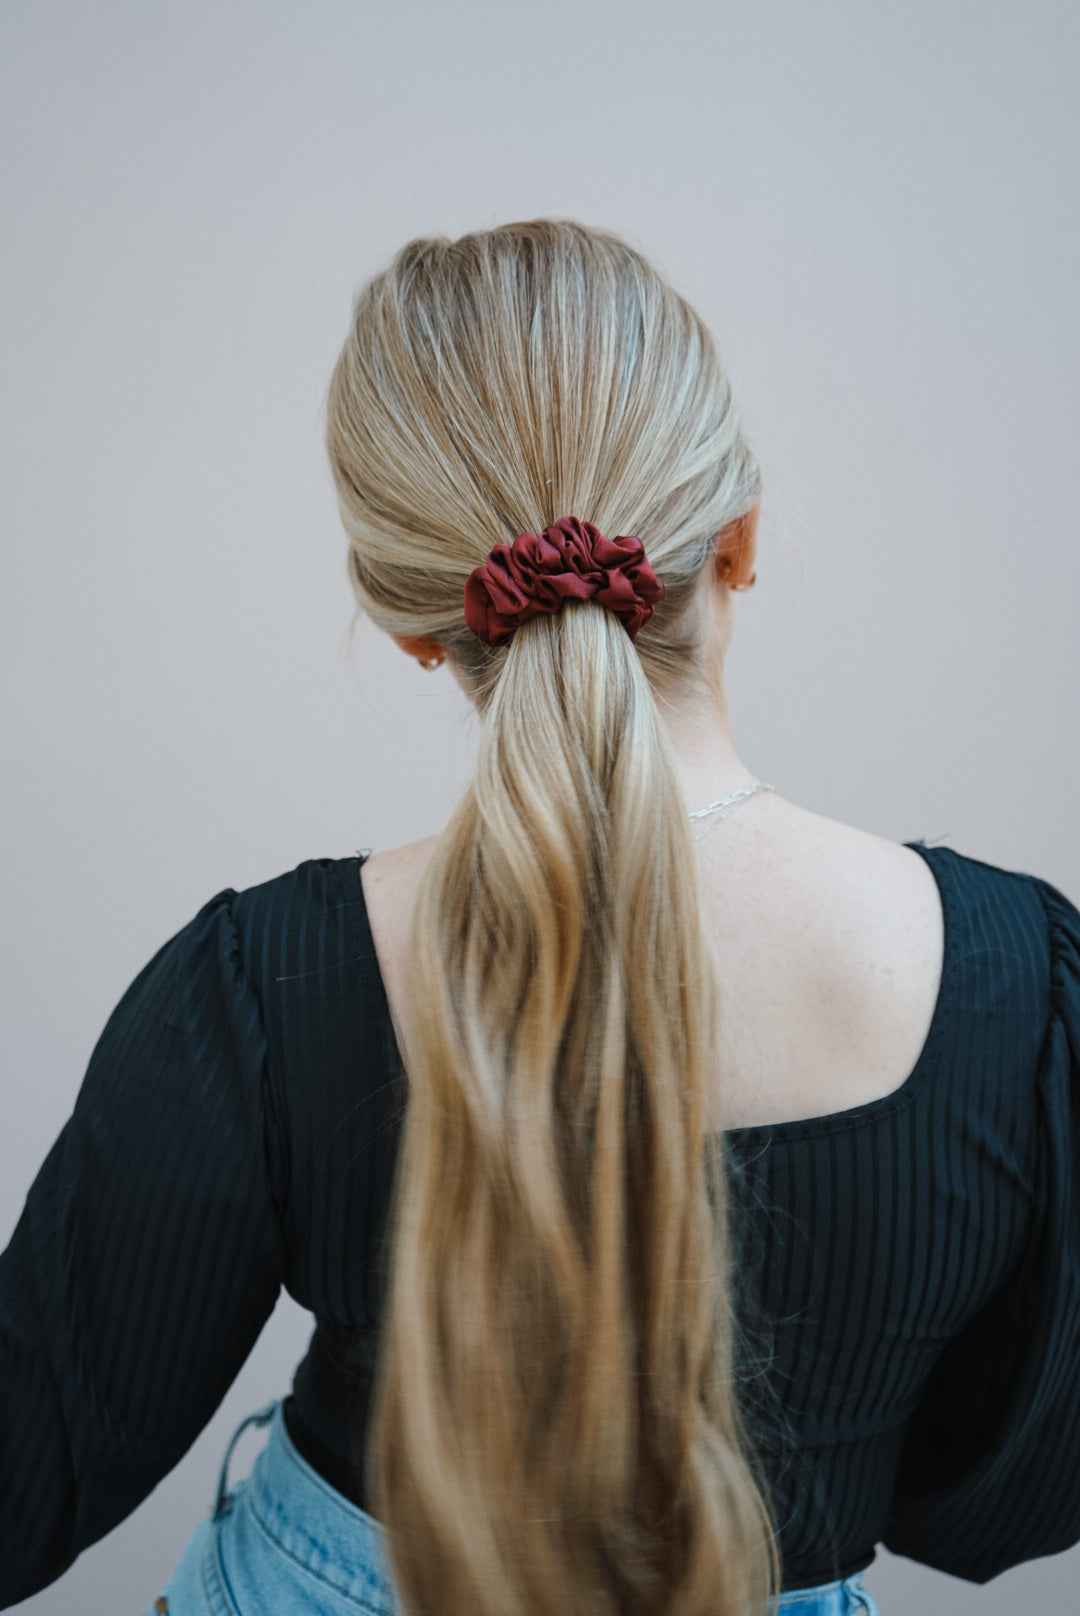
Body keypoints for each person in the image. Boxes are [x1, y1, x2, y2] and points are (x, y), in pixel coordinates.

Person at [2, 220, 1078, 1616]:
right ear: (738, 542)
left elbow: (29, 1470)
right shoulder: (1015, 984)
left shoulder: (268, 986)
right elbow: (1018, 1486)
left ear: (413, 620)